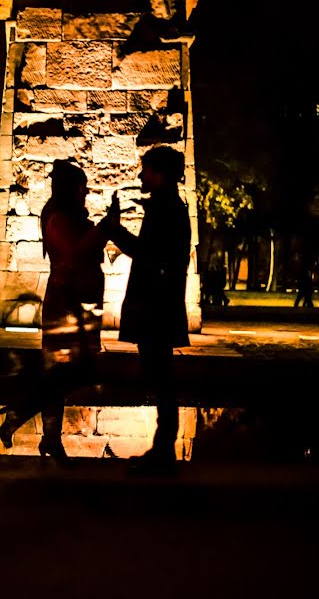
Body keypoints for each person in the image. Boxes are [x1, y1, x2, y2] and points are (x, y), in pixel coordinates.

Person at [0, 161, 109, 466]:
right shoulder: (58, 218)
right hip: (66, 305)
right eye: (81, 186)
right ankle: (25, 418)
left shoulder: (68, 216)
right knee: (70, 372)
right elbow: (73, 255)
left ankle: (42, 431)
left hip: (77, 304)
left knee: (64, 373)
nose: (85, 192)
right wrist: (104, 229)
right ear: (70, 188)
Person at [105, 146, 191, 477]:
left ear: (162, 173)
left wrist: (116, 231)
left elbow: (150, 255)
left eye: (147, 170)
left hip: (156, 307)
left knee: (161, 378)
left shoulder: (166, 209)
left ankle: (163, 453)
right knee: (159, 378)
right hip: (158, 305)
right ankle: (162, 450)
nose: (142, 176)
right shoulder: (167, 206)